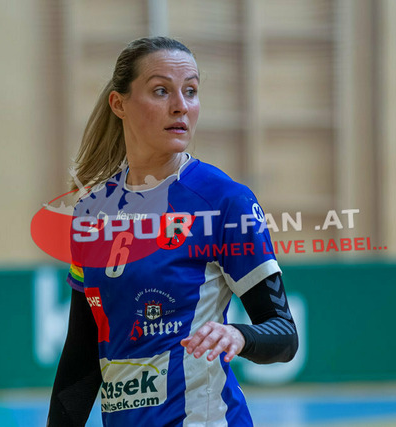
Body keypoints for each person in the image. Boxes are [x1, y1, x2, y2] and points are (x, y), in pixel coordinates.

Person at [47, 36, 298, 427]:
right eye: (161, 91)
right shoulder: (90, 213)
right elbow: (82, 354)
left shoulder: (224, 201)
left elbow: (283, 334)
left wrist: (239, 335)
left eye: (191, 91)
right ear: (119, 104)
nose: (181, 105)